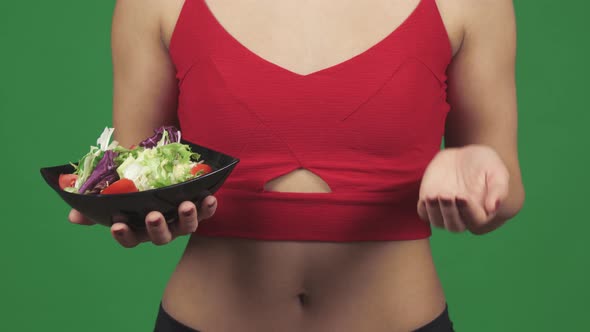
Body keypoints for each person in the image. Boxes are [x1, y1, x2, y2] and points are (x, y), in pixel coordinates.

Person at [69, 0, 525, 331]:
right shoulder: (154, 4)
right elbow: (141, 170)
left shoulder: (472, 4)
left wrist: (475, 165)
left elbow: (506, 192)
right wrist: (133, 211)